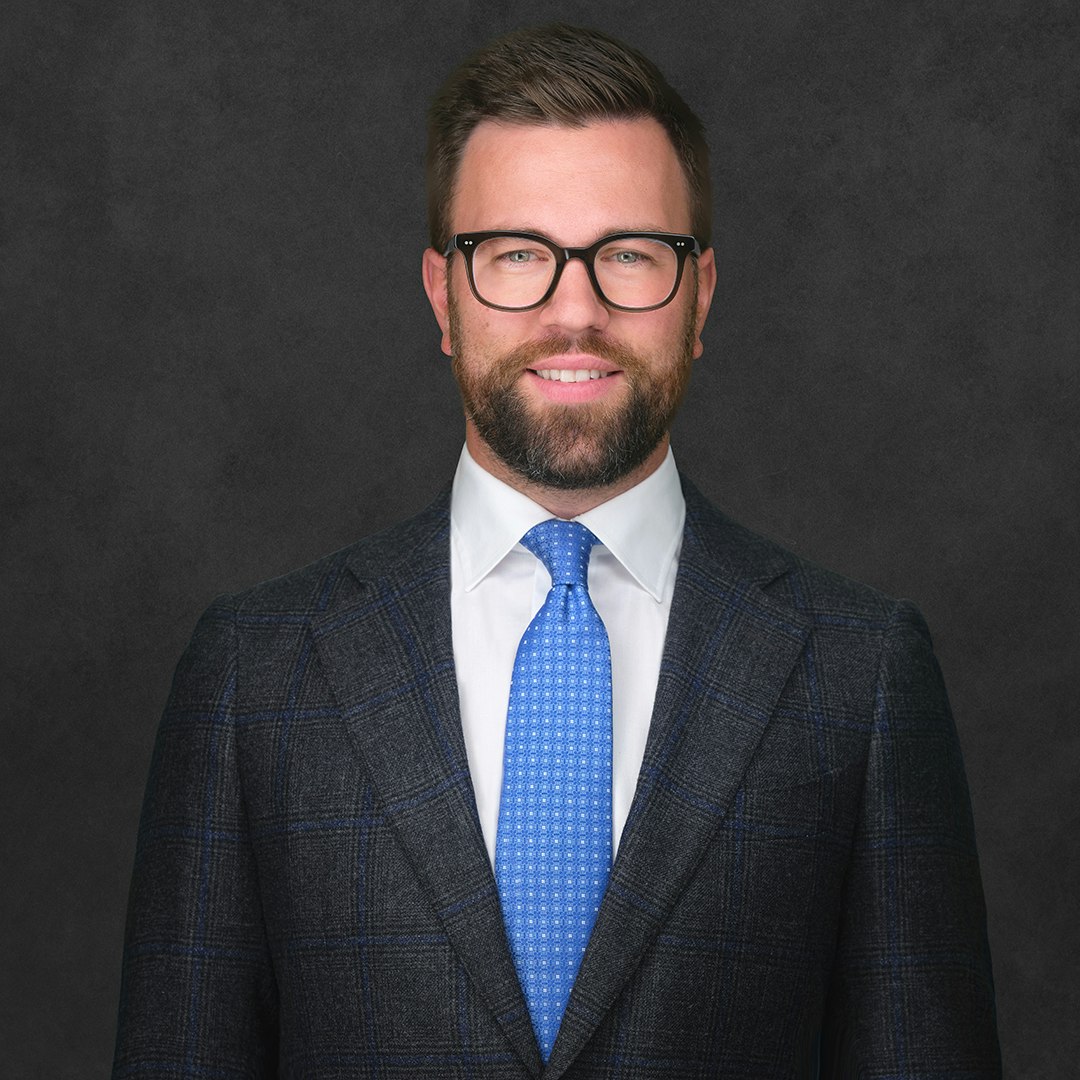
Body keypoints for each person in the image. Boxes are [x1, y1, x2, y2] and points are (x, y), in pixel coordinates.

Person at [113, 23, 1000, 1078]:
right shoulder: (254, 674)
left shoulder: (863, 673)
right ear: (444, 294)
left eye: (630, 254)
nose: (573, 312)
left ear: (700, 295)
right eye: (518, 255)